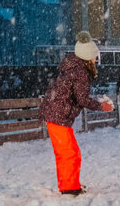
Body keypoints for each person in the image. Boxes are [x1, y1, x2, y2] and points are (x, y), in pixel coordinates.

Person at [38, 32, 113, 196]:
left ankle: (69, 185)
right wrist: (102, 107)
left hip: (54, 113)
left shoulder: (73, 67)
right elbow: (82, 99)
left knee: (67, 153)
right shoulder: (81, 72)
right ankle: (69, 188)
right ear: (89, 57)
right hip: (58, 114)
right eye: (94, 56)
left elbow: (79, 96)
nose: (96, 60)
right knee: (70, 154)